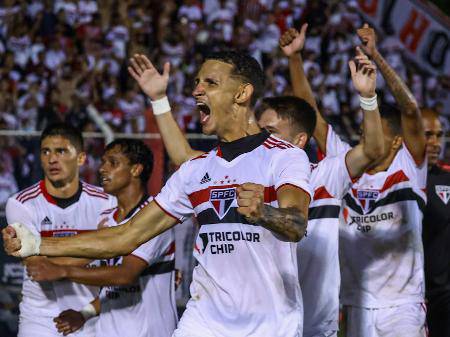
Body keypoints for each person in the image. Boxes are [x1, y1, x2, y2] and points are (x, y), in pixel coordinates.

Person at [4, 51, 312, 337]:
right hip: (204, 320)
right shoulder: (195, 171)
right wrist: (37, 243)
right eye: (196, 82)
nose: (196, 91)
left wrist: (265, 213)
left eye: (210, 83)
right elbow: (125, 236)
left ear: (242, 94)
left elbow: (297, 224)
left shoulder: (284, 157)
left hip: (270, 321)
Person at [135, 31, 384, 337]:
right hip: (259, 311)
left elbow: (368, 148)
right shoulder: (249, 166)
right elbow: (186, 160)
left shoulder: (325, 174)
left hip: (312, 318)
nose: (258, 134)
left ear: (299, 139)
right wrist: (160, 101)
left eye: (270, 129)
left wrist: (367, 97)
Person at [294, 23, 427, 337]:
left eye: (377, 131)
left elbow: (410, 109)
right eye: (366, 129)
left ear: (396, 142)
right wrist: (295, 58)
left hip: (403, 306)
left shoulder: (410, 167)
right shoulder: (346, 161)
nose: (366, 134)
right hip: (355, 305)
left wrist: (375, 57)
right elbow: (310, 115)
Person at [24, 139, 178, 337]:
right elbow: (108, 284)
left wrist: (62, 270)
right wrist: (84, 314)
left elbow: (124, 275)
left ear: (136, 170)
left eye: (112, 163)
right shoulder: (107, 217)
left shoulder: (155, 217)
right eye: (103, 162)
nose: (102, 169)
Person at [4, 123, 115, 337]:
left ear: (81, 158)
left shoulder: (106, 201)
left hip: (87, 315)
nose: (52, 159)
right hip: (38, 318)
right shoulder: (20, 204)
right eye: (46, 151)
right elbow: (38, 268)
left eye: (61, 151)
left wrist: (108, 246)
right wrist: (102, 244)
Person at [421, 108, 450, 337]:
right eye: (428, 134)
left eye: (439, 135)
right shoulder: (392, 180)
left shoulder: (446, 178)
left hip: (444, 297)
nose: (436, 143)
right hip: (403, 297)